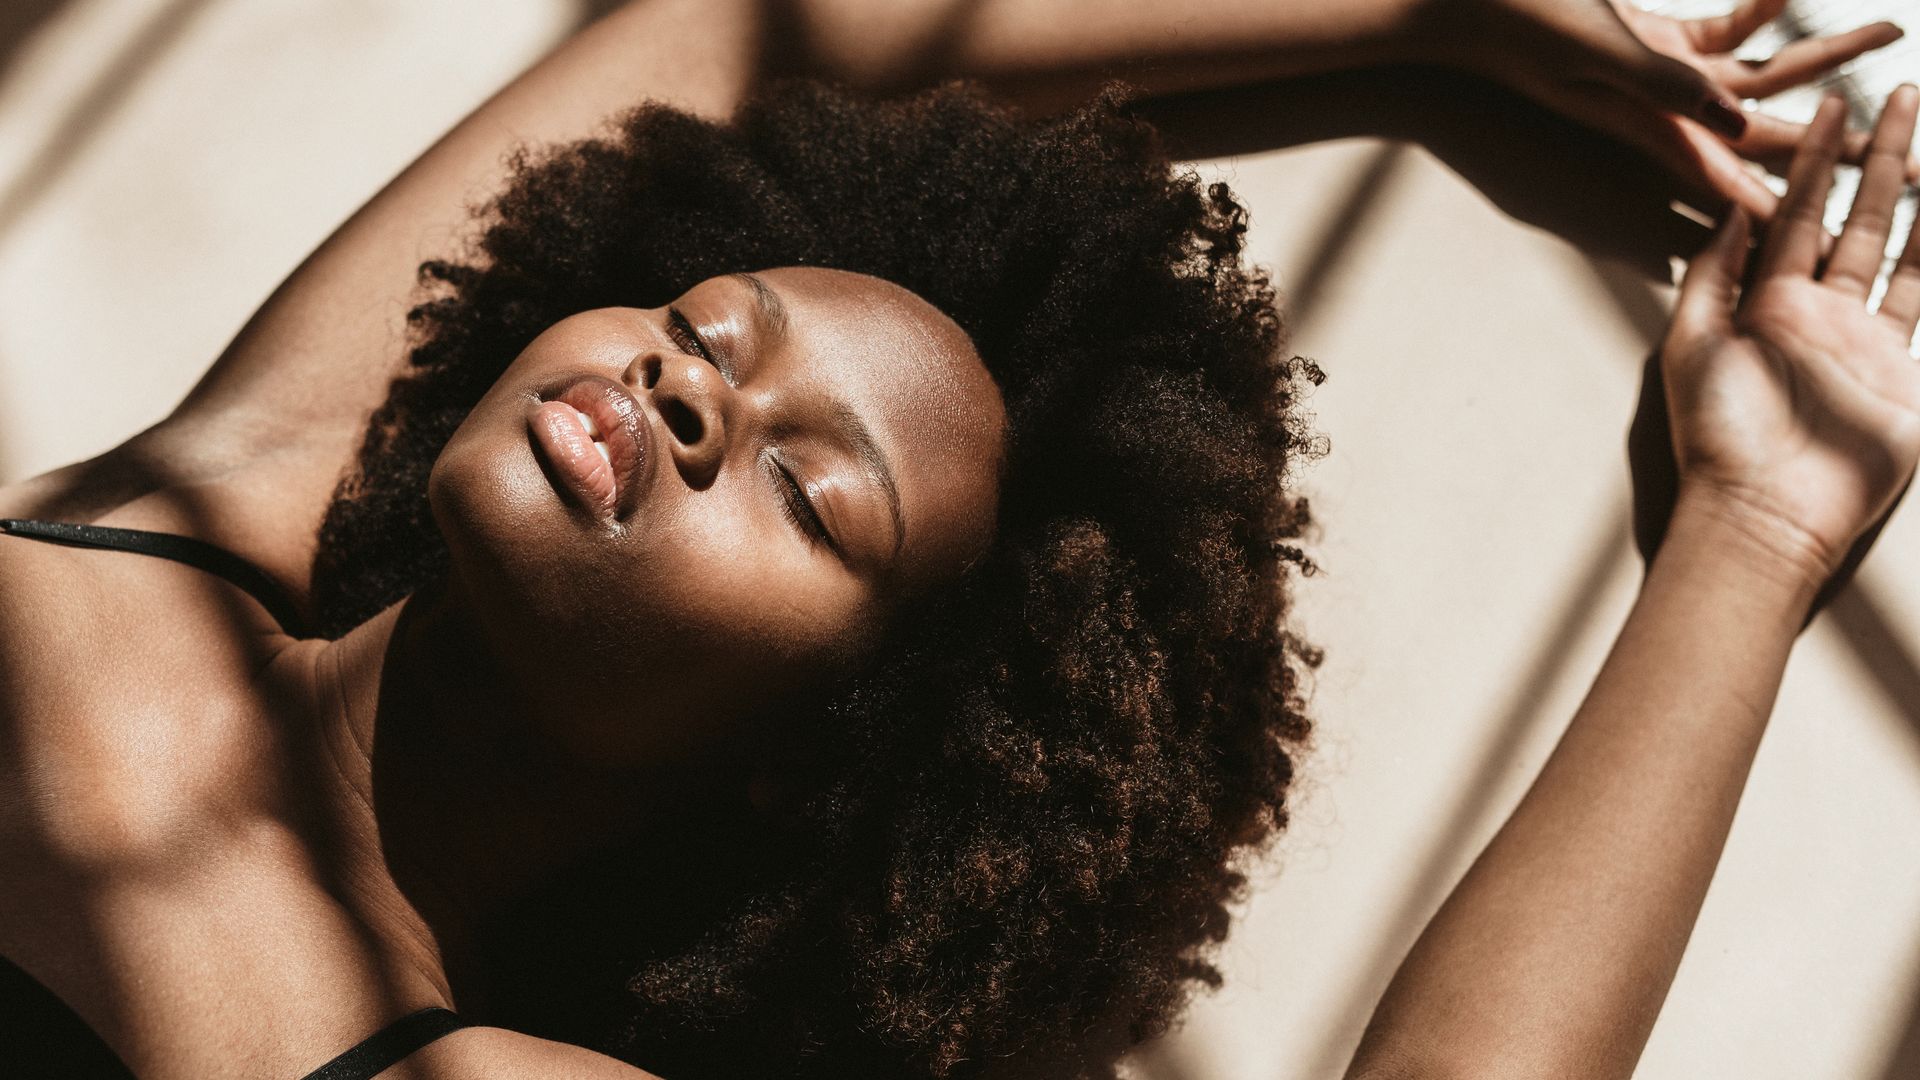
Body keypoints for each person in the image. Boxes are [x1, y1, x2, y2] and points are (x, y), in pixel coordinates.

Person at [0, 1, 1909, 1077]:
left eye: (809, 495)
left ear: (821, 767)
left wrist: (1751, 525)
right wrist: (1430, 9)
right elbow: (764, 25)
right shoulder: (199, 509)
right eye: (702, 327)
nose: (692, 397)